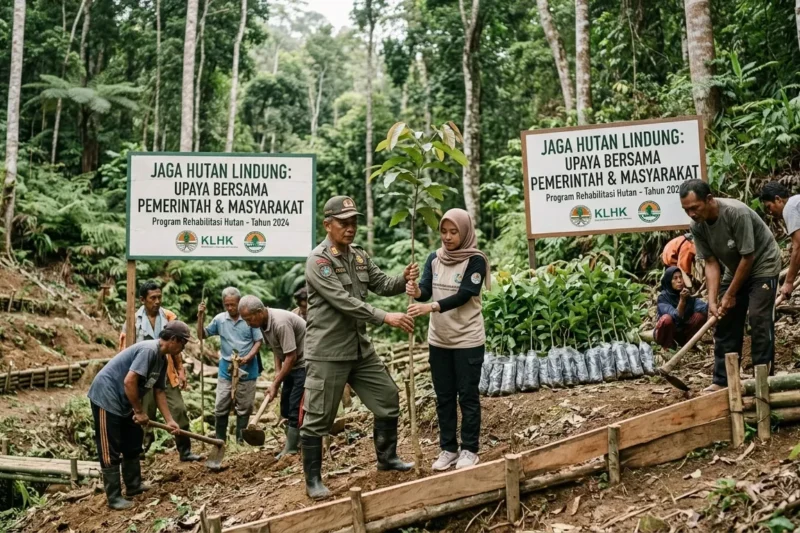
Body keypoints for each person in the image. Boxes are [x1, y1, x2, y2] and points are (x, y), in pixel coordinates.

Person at [300, 195, 418, 500]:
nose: (350, 228)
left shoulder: (359, 257)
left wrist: (402, 278)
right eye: (343, 223)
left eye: (353, 222)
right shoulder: (319, 261)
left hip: (358, 348)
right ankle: (313, 480)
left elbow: (382, 284)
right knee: (319, 417)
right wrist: (385, 317)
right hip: (328, 351)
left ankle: (387, 458)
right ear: (327, 224)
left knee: (388, 397)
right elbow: (344, 302)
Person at [406, 208, 489, 471]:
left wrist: (430, 307)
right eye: (444, 231)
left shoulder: (476, 260)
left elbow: (465, 293)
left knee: (467, 395)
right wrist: (417, 290)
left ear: (464, 233)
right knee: (443, 396)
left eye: (454, 232)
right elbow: (426, 290)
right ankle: (449, 448)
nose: (448, 237)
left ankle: (470, 449)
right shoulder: (435, 258)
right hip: (439, 341)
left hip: (467, 340)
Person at [679, 179, 781, 392]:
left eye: (694, 208)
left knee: (758, 319)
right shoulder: (697, 226)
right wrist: (713, 300)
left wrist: (731, 294)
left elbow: (748, 257)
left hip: (762, 264)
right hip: (734, 268)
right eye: (686, 209)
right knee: (723, 320)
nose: (691, 214)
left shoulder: (736, 213)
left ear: (709, 200)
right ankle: (722, 380)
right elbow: (710, 262)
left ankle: (762, 381)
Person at [88, 322, 189, 509]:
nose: (183, 348)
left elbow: (159, 392)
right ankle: (114, 497)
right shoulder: (149, 350)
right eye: (184, 343)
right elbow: (129, 381)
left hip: (126, 401)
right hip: (107, 397)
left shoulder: (162, 358)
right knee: (110, 448)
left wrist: (170, 420)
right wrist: (139, 411)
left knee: (133, 441)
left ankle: (133, 486)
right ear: (174, 340)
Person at [120, 281, 200, 462]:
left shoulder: (169, 317)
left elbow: (177, 346)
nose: (157, 301)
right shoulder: (133, 321)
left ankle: (185, 451)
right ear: (142, 300)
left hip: (165, 372)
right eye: (152, 298)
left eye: (159, 297)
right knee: (144, 414)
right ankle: (139, 452)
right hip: (142, 375)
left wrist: (180, 370)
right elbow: (126, 350)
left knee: (178, 410)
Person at [239, 295, 306, 458]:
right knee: (285, 405)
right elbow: (277, 349)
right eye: (245, 320)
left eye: (249, 319)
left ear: (260, 311)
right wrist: (277, 373)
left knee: (296, 406)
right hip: (292, 365)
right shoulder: (263, 323)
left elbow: (291, 356)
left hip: (306, 363)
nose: (248, 323)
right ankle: (295, 441)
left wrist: (275, 383)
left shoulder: (280, 322)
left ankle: (292, 447)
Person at [197, 287, 263, 444]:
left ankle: (241, 440)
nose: (230, 308)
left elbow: (258, 341)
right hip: (226, 368)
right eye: (227, 305)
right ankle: (220, 440)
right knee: (221, 404)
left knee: (245, 406)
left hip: (247, 368)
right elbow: (202, 335)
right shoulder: (220, 320)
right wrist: (200, 316)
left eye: (233, 304)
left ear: (239, 303)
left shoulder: (248, 319)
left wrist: (248, 357)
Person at [759, 181, 800, 301]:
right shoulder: (797, 201)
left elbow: (798, 247)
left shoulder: (790, 207)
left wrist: (788, 282)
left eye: (769, 207)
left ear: (778, 199)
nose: (770, 212)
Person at [654, 266, 709, 350]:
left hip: (682, 332)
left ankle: (688, 344)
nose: (679, 281)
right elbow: (676, 316)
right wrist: (682, 301)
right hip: (668, 334)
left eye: (680, 277)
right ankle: (667, 347)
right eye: (675, 278)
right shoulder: (663, 298)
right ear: (669, 282)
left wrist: (713, 304)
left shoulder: (687, 295)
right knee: (667, 319)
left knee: (700, 316)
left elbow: (703, 308)